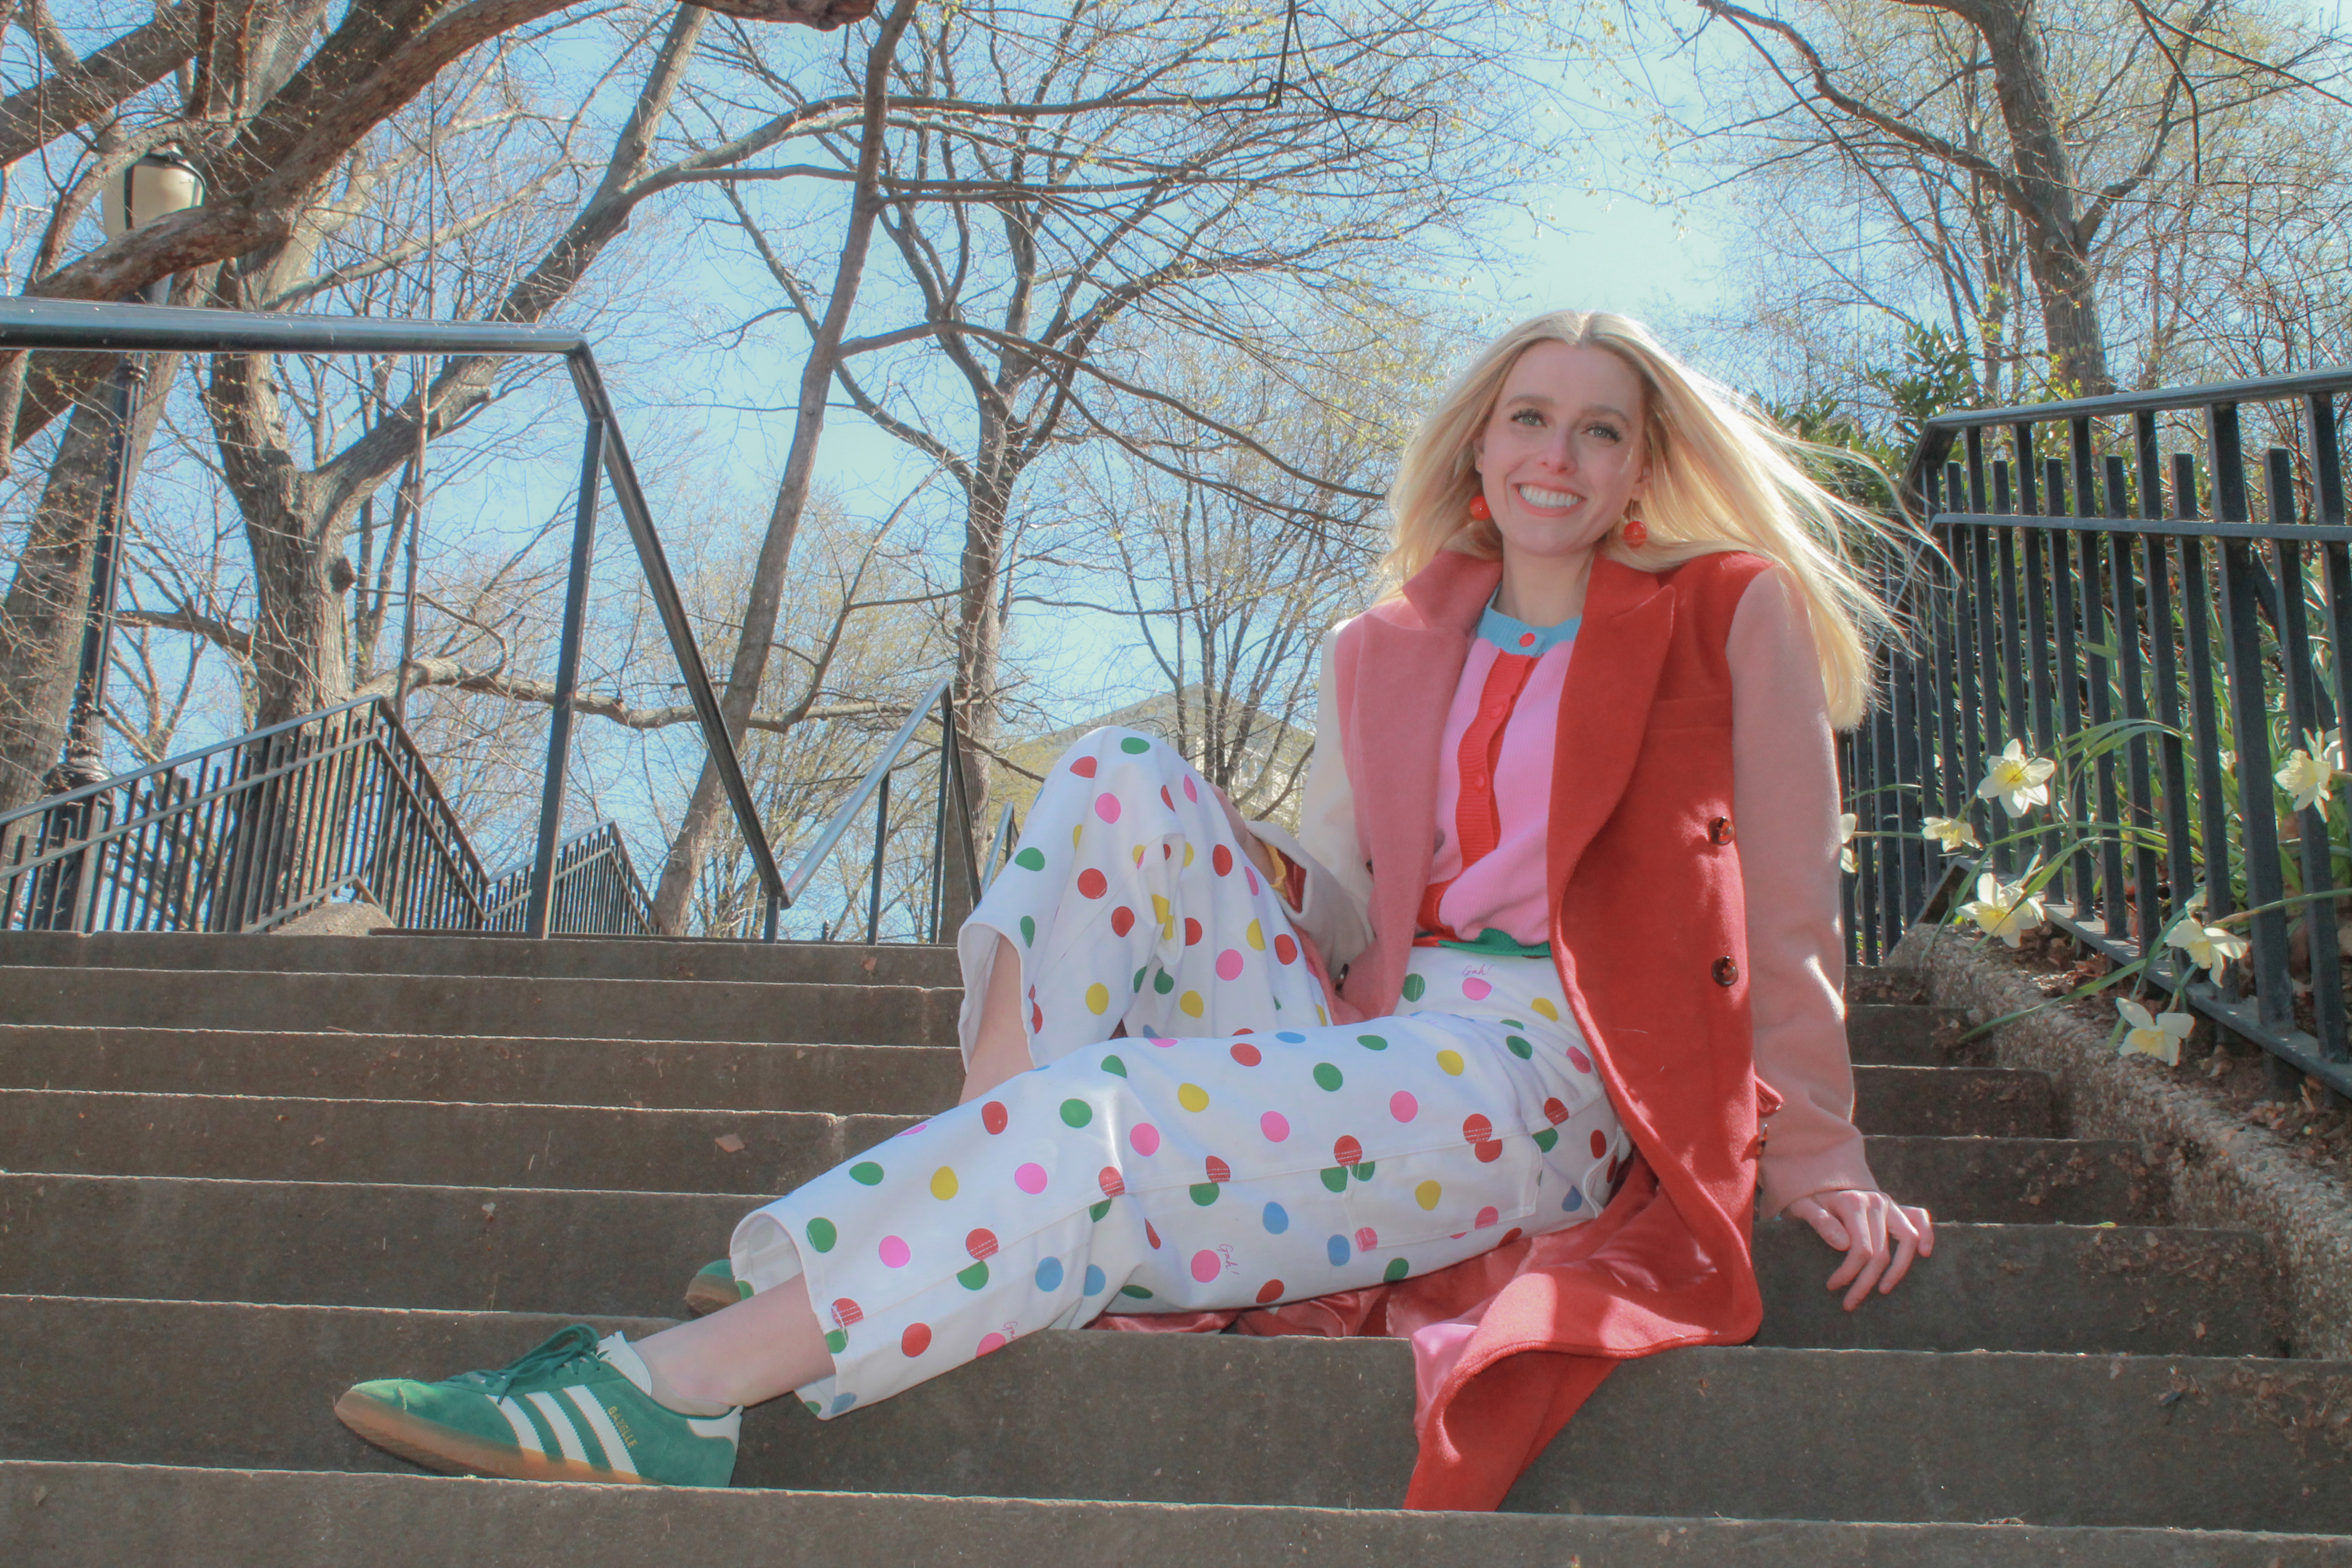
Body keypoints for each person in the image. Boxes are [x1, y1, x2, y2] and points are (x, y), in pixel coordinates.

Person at [333, 310, 1934, 1506]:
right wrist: (1199, 847)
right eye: (1531, 416)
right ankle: (980, 1178)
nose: (1559, 455)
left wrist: (1822, 1151)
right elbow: (1336, 907)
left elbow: (1788, 903)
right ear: (1476, 444)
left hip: (1536, 1072)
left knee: (1112, 1118)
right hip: (1384, 1023)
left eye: (1601, 428)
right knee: (1114, 772)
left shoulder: (1721, 615)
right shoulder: (1387, 650)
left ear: (1643, 463)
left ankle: (669, 1397)